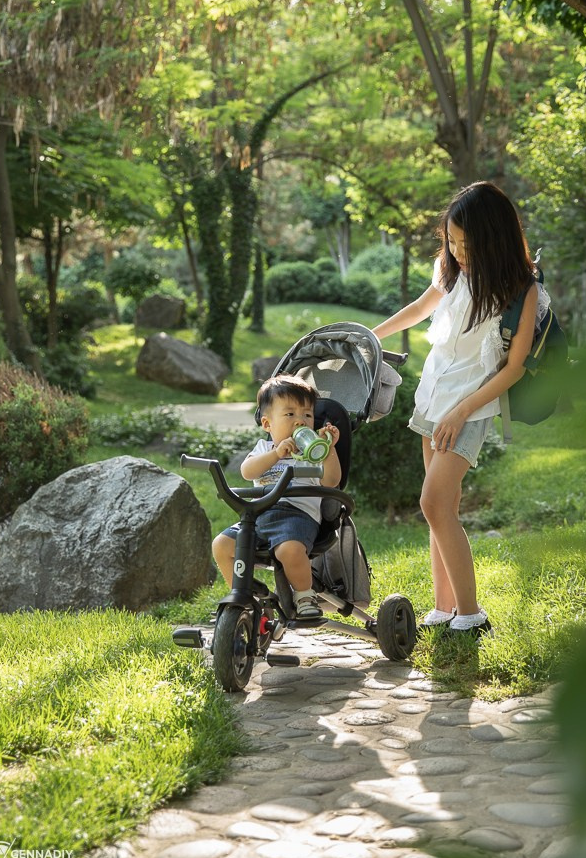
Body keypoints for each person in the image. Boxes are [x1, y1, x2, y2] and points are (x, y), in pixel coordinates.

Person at [371, 181, 546, 634]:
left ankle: (471, 614)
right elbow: (418, 309)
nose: (457, 250)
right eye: (451, 240)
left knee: (432, 503)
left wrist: (461, 411)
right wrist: (369, 337)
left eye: (467, 243)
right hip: (432, 397)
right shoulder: (448, 271)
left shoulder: (520, 289)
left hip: (469, 408)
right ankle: (443, 607)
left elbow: (514, 369)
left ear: (495, 238)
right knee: (441, 505)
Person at [211, 374, 341, 620]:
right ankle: (245, 594)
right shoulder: (264, 448)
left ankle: (304, 594)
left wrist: (329, 450)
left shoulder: (314, 453)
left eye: (307, 415)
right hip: (259, 514)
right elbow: (247, 471)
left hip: (297, 516)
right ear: (268, 424)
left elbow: (331, 481)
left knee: (289, 550)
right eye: (290, 414)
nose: (300, 421)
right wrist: (276, 455)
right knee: (221, 546)